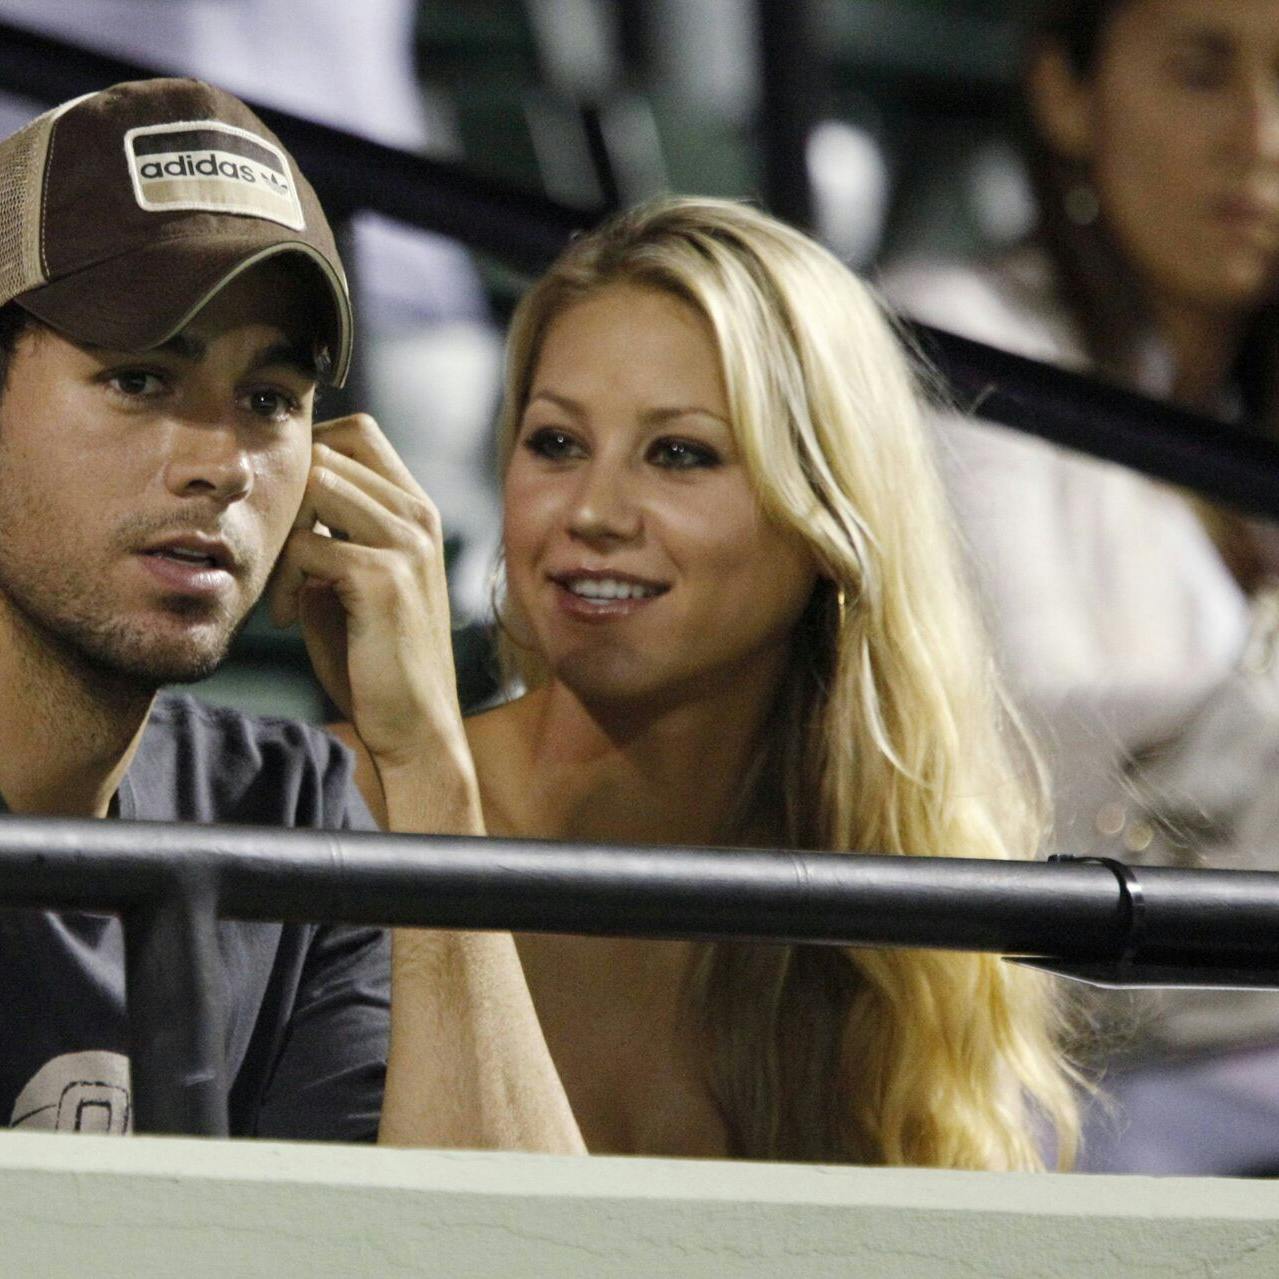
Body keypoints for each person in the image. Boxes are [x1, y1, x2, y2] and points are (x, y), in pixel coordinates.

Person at [368, 195, 1082, 1168]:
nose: (593, 510)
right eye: (556, 443)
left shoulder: (900, 923)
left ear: (826, 517)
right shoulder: (352, 809)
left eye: (679, 454)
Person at [0, 75, 539, 1144]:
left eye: (270, 400)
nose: (222, 465)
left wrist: (429, 765)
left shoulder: (291, 812)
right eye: (142, 380)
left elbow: (505, 1248)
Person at [885, 0, 1279, 1174]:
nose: (1258, 134)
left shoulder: (1240, 392)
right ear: (1064, 87)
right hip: (1054, 1073)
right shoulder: (956, 344)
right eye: (1201, 72)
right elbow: (1041, 755)